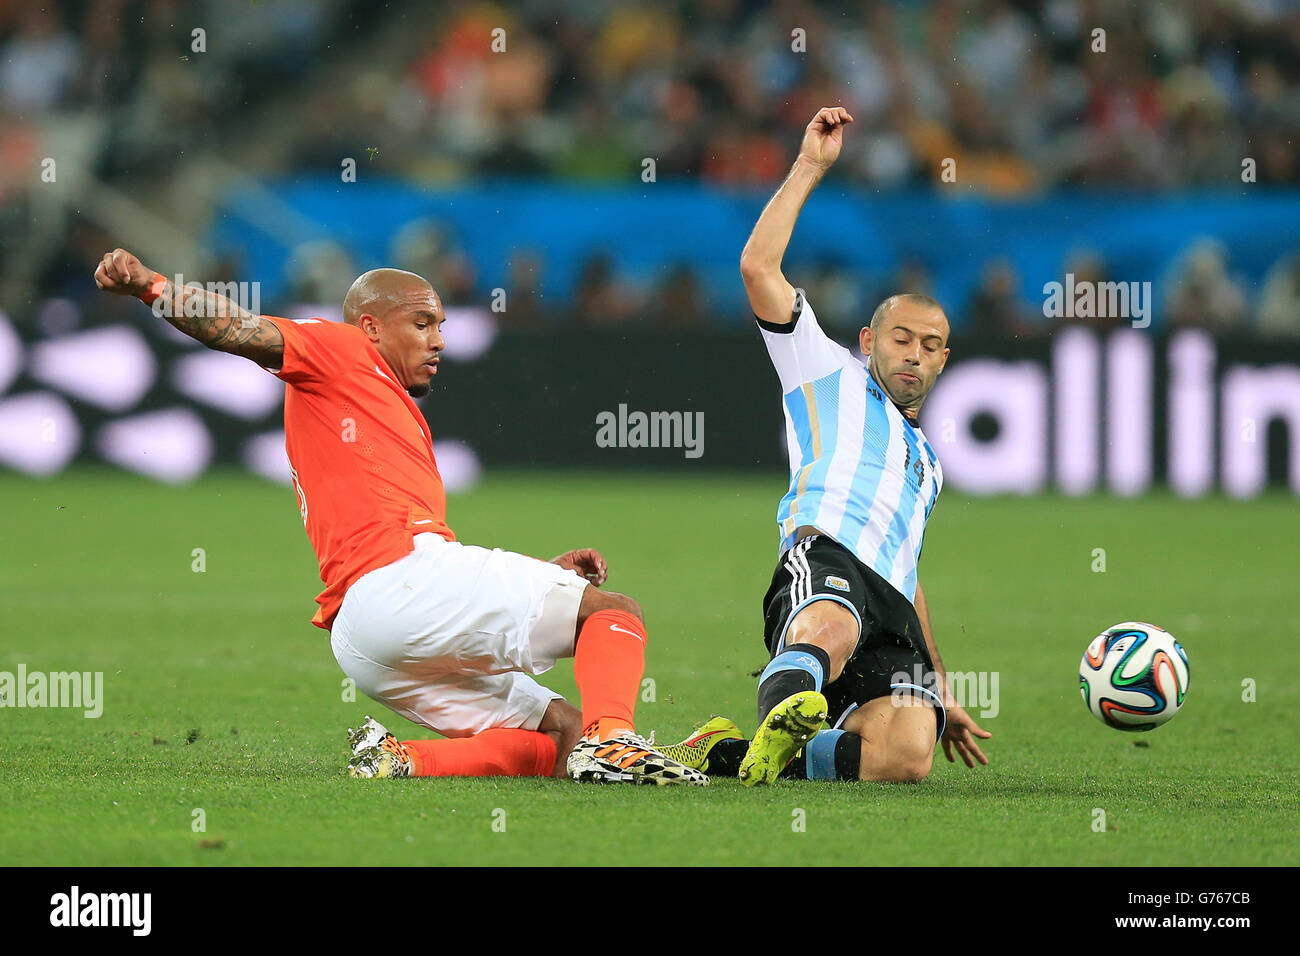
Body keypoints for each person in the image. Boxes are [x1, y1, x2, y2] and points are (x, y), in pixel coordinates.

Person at [92, 250, 705, 786]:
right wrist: (151, 285)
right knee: (613, 613)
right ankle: (618, 744)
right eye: (421, 323)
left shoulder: (373, 406)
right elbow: (239, 329)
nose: (438, 339)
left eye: (441, 324)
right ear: (370, 326)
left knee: (566, 734)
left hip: (363, 638)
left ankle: (402, 759)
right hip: (399, 584)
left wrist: (545, 575)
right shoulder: (340, 350)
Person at [662, 107, 991, 786]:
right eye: (901, 338)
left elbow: (909, 570)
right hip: (827, 555)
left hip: (891, 605)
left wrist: (943, 687)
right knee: (831, 630)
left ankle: (726, 752)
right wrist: (810, 166)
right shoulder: (826, 370)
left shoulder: (928, 463)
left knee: (906, 759)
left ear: (943, 361)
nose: (914, 354)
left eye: (930, 346)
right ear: (870, 343)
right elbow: (758, 267)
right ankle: (785, 712)